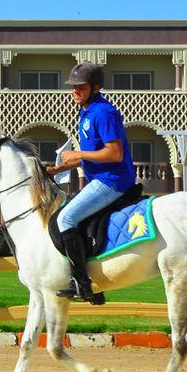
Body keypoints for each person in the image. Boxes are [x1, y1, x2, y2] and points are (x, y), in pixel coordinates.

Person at [45, 62, 136, 304]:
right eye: (73, 87)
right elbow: (96, 155)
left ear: (95, 88)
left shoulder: (104, 113)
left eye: (80, 87)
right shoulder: (86, 111)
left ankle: (83, 284)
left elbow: (114, 154)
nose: (75, 91)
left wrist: (79, 155)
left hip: (113, 181)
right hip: (101, 178)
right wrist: (63, 167)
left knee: (65, 219)